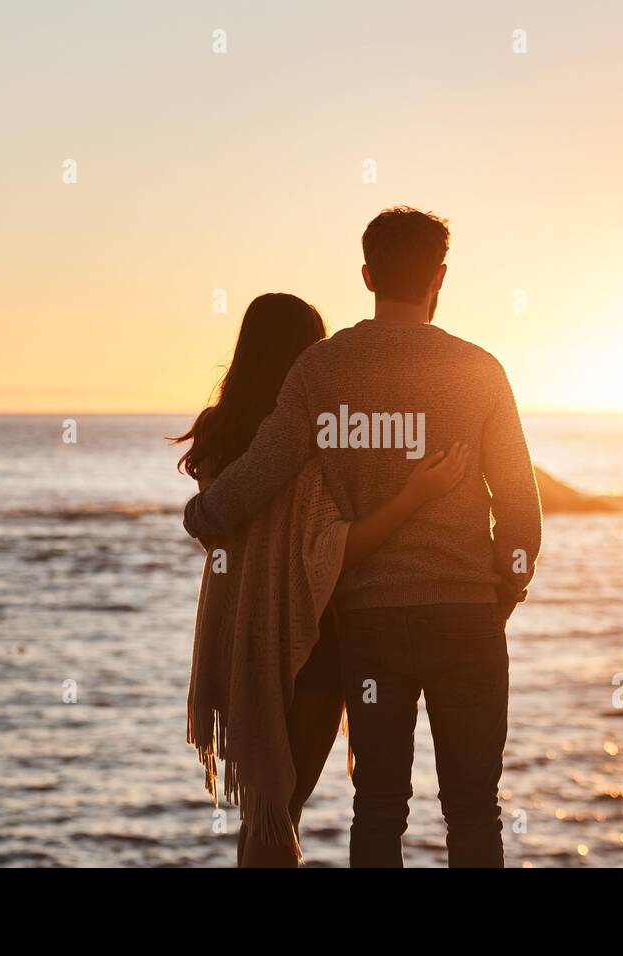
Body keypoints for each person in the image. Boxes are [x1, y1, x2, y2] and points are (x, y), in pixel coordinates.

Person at [183, 208, 542, 867]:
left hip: (372, 625)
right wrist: (498, 596)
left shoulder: (321, 369)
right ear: (440, 276)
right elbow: (521, 513)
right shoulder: (481, 370)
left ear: (368, 274)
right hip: (467, 618)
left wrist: (201, 515)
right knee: (474, 808)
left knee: (379, 806)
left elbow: (262, 472)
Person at [173, 291, 469, 866]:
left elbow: (221, 524)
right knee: (281, 809)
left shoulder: (219, 433)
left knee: (266, 808)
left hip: (241, 639)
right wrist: (416, 494)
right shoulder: (317, 445)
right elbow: (336, 548)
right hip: (311, 639)